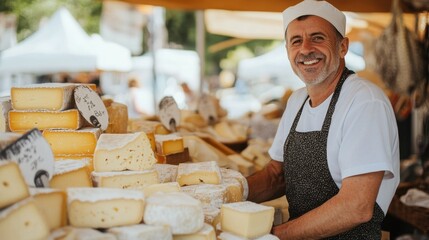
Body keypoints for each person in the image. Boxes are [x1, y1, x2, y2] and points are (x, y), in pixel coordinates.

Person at [246, 1, 400, 239]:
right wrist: (230, 193)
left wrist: (275, 235)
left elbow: (356, 206)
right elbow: (277, 175)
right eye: (296, 41)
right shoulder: (297, 101)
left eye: (318, 38)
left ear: (343, 46)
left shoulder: (365, 102)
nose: (306, 49)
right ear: (287, 50)